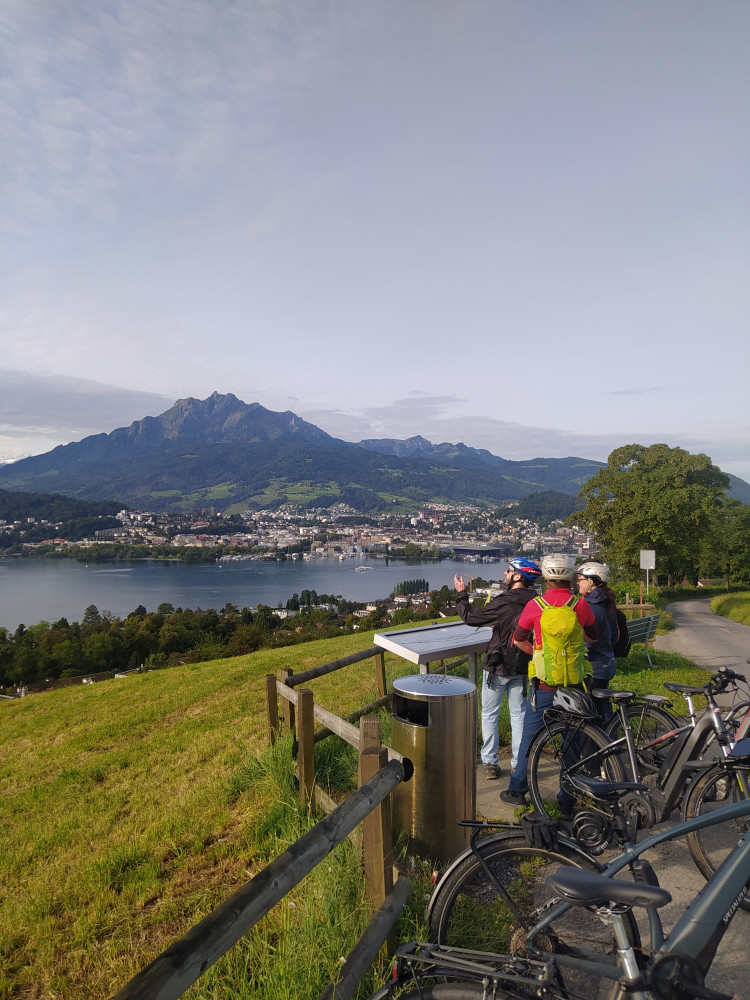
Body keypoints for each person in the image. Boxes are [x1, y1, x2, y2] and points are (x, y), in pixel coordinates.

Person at [499, 553, 598, 814]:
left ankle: (517, 791)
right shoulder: (580, 605)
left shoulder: (536, 605)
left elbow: (518, 639)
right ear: (569, 577)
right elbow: (594, 636)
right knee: (572, 743)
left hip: (544, 685)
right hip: (574, 685)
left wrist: (541, 655)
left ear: (546, 576)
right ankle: (567, 800)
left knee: (529, 741)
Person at [454, 559, 542, 780]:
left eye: (509, 570)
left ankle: (490, 763)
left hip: (497, 664)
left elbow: (470, 617)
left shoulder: (504, 602)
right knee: (519, 715)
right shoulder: (537, 602)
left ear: (518, 576)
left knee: (489, 714)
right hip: (523, 665)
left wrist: (461, 594)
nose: (505, 572)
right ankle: (518, 764)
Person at [576, 560, 618, 724]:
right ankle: (610, 743)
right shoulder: (607, 601)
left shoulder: (590, 605)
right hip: (607, 662)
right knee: (603, 706)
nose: (577, 582)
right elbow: (614, 635)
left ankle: (592, 746)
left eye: (581, 579)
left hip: (594, 666)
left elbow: (587, 641)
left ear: (591, 581)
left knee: (589, 712)